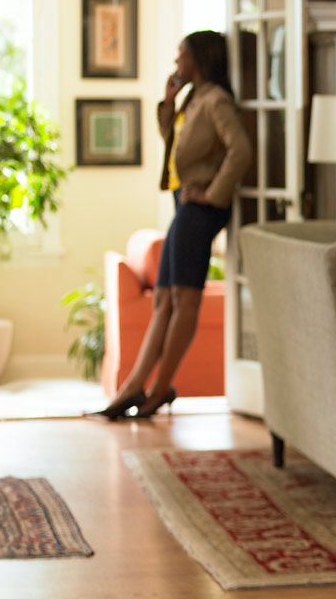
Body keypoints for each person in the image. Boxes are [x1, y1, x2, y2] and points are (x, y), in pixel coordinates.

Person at [93, 30, 252, 420]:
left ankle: (158, 388)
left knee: (184, 300)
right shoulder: (192, 99)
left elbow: (241, 150)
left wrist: (215, 193)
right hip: (183, 204)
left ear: (201, 59)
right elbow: (175, 144)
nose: (176, 63)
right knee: (165, 300)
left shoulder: (216, 99)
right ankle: (135, 387)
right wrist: (168, 102)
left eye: (182, 56)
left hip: (201, 208)